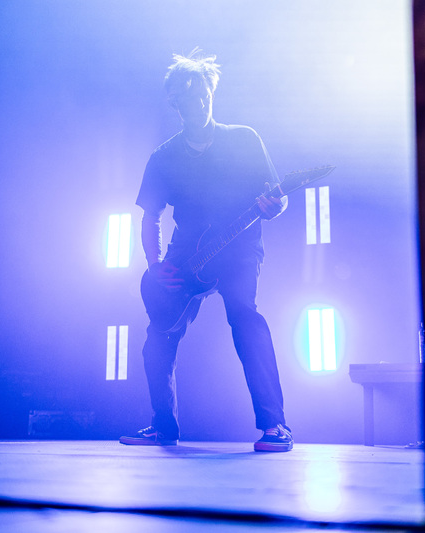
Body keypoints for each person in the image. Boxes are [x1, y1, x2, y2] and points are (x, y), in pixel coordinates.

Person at [119, 50, 292, 452]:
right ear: (175, 103)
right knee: (158, 336)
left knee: (245, 316)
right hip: (186, 256)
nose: (198, 104)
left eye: (204, 96)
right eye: (188, 99)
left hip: (238, 249)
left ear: (212, 94)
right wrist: (155, 265)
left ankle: (275, 426)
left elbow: (277, 198)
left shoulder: (244, 139)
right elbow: (150, 217)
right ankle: (163, 425)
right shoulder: (163, 157)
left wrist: (275, 205)